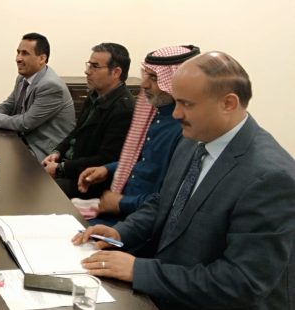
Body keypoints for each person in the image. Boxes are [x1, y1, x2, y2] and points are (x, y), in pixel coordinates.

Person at [75, 51, 295, 310]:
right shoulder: (194, 140)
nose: (177, 114)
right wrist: (121, 233)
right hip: (172, 290)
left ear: (228, 103)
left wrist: (140, 271)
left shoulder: (270, 177)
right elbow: (165, 201)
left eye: (187, 104)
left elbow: (242, 283)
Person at [73, 45, 199, 225]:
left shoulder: (186, 129)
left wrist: (122, 203)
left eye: (154, 78)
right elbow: (145, 160)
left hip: (140, 220)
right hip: (122, 209)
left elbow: (169, 199)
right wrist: (107, 169)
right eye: (146, 75)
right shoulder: (155, 114)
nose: (144, 84)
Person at [0, 33, 75, 161]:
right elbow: (8, 106)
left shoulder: (51, 86)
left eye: (25, 53)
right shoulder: (22, 78)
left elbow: (25, 123)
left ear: (42, 59)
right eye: (18, 52)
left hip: (44, 153)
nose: (18, 58)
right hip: (21, 141)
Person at [42, 42, 134, 198]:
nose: (87, 71)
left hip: (88, 182)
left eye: (94, 66)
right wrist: (57, 152)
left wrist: (61, 168)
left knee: (38, 190)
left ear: (116, 72)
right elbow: (76, 131)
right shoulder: (95, 95)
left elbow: (106, 160)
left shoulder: (124, 110)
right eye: (88, 65)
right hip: (71, 167)